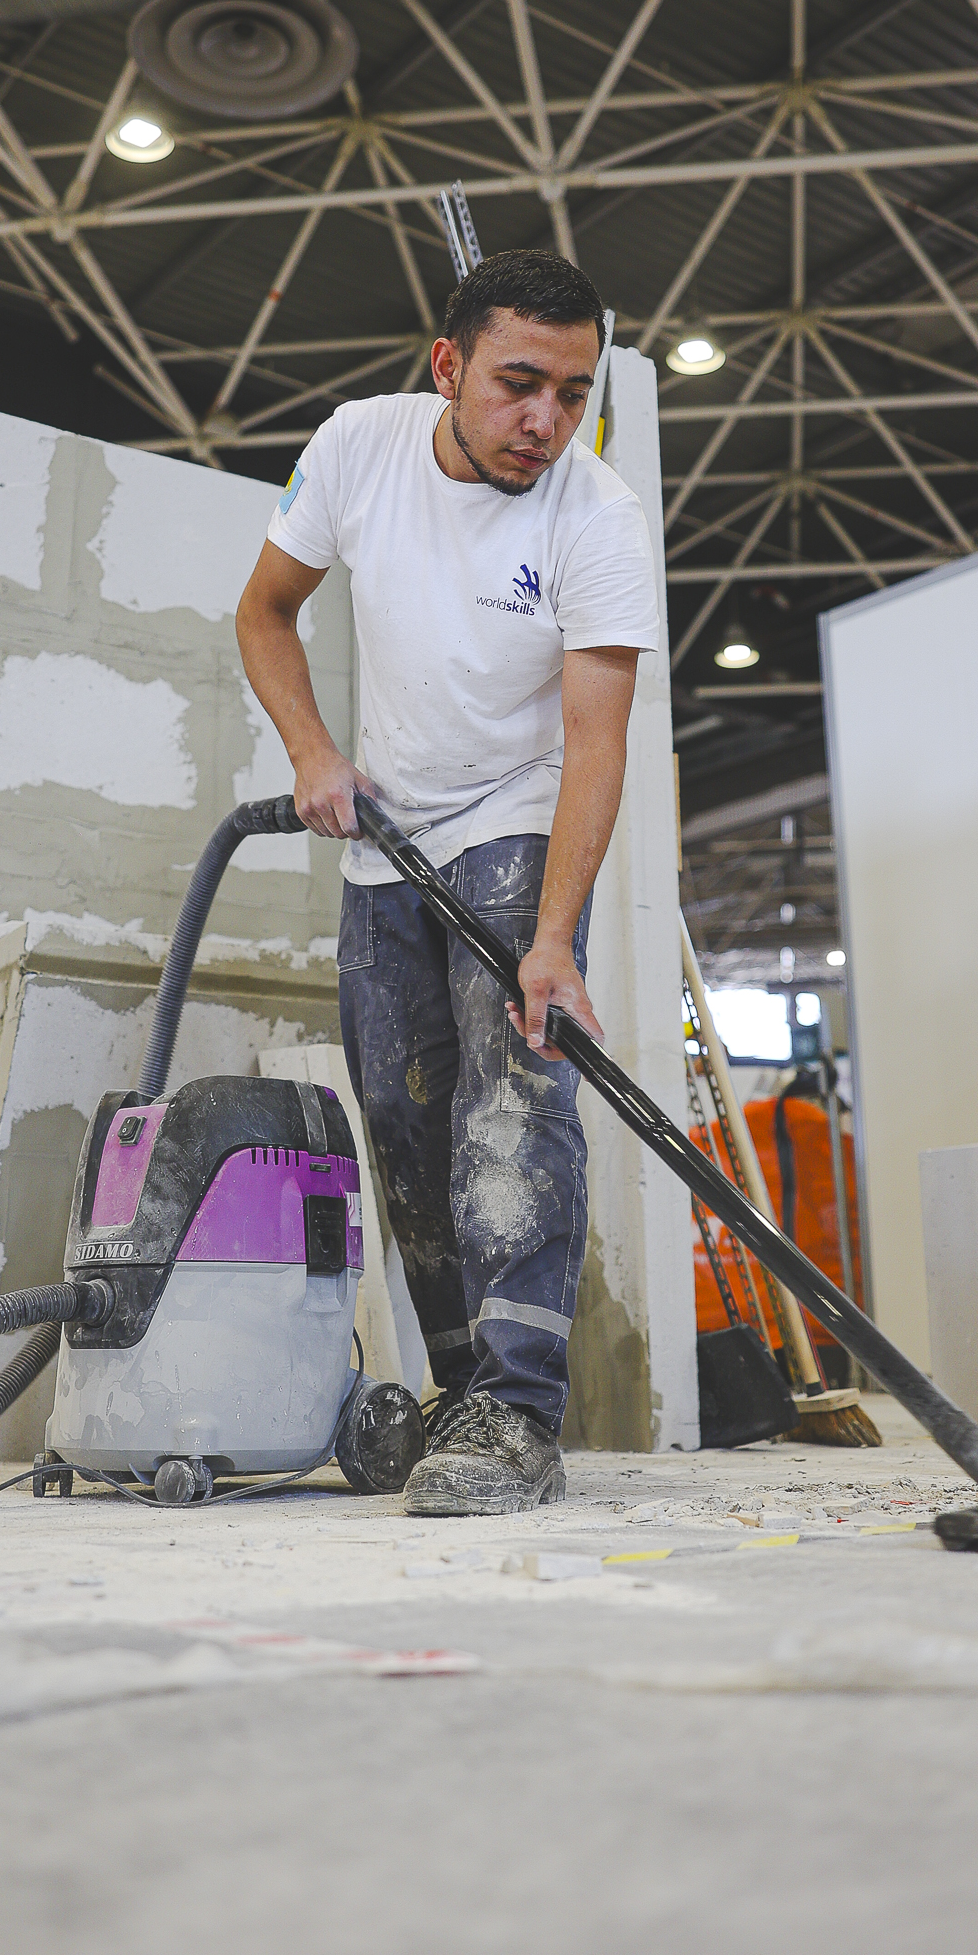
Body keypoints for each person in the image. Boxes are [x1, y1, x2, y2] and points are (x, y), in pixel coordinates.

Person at [236, 249, 659, 1514]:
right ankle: (461, 1389)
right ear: (446, 367)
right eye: (517, 384)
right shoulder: (360, 446)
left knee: (511, 1103)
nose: (545, 421)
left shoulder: (596, 517)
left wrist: (555, 939)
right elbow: (265, 612)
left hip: (518, 815)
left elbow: (595, 741)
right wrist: (314, 753)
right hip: (388, 836)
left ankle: (521, 1415)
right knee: (408, 1129)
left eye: (572, 393)